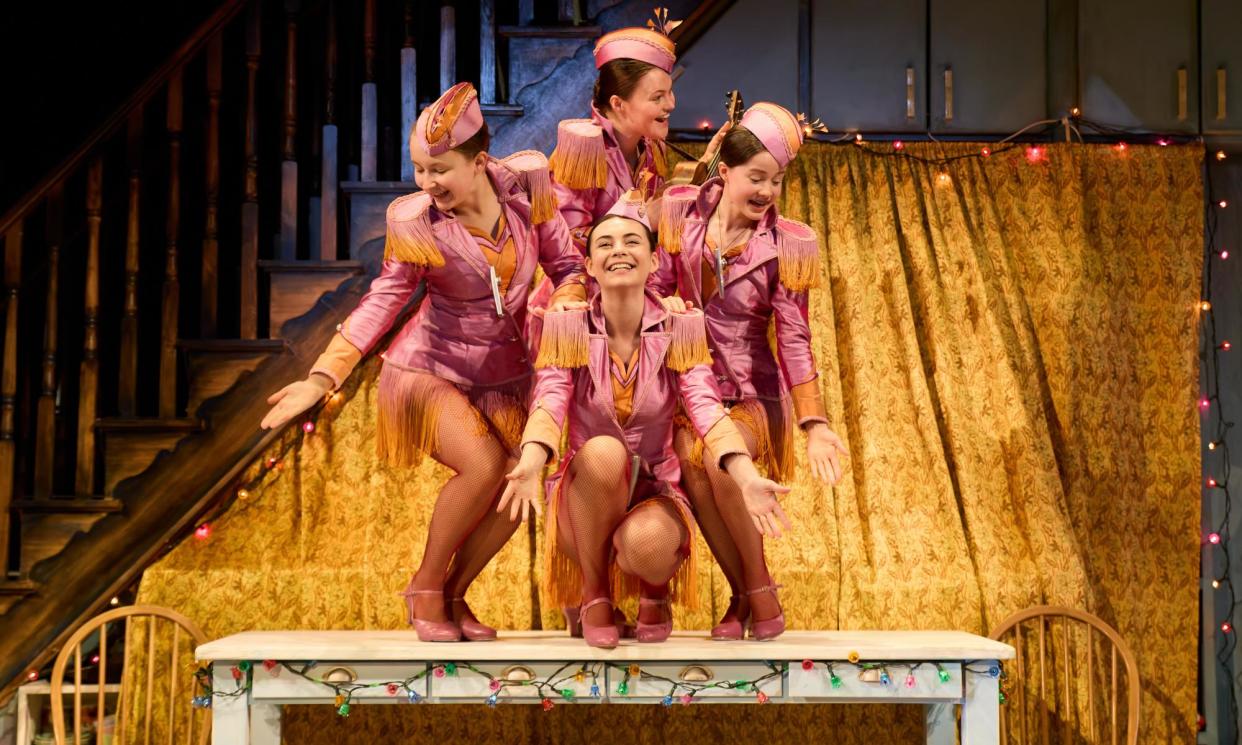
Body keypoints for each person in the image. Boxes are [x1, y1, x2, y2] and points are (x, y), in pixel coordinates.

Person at [259, 82, 587, 642]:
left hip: (507, 376)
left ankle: (455, 595)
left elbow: (569, 267)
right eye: (418, 170)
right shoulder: (415, 223)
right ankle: (426, 587)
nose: (427, 183)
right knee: (483, 465)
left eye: (439, 169)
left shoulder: (530, 194)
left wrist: (566, 299)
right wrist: (323, 376)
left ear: (479, 161)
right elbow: (384, 300)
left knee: (518, 483)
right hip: (427, 369)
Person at [498, 191, 790, 649]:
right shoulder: (568, 326)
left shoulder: (681, 328)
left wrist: (746, 475)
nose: (619, 250)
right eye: (606, 243)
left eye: (632, 242)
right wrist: (533, 460)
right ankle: (595, 594)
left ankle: (655, 589)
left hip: (656, 492)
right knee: (604, 451)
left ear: (654, 262)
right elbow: (549, 400)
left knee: (649, 542)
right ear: (589, 267)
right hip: (586, 497)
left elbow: (706, 406)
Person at [650, 102, 849, 641]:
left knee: (720, 463)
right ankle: (741, 595)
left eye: (777, 181)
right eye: (756, 177)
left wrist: (815, 424)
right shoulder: (677, 215)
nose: (766, 191)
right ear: (726, 170)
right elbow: (653, 286)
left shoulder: (789, 243)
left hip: (754, 395)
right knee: (693, 466)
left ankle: (758, 592)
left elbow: (794, 337)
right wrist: (662, 305)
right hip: (689, 390)